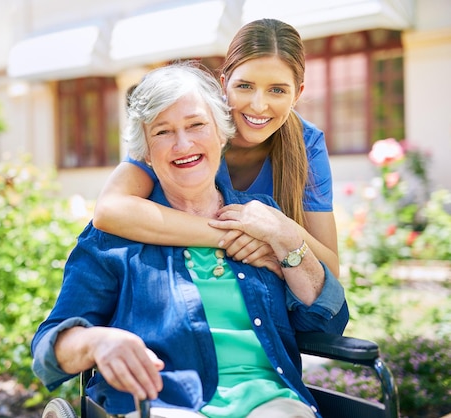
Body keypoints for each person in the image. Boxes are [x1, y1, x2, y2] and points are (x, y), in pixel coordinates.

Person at [31, 63, 349, 418]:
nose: (183, 144)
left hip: (271, 403)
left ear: (222, 133)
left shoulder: (263, 219)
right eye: (163, 132)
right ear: (146, 152)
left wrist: (288, 240)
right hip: (163, 403)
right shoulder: (115, 238)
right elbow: (49, 345)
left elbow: (327, 322)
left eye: (197, 125)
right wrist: (96, 342)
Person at [92, 18, 339, 278]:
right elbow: (110, 210)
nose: (258, 105)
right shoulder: (187, 124)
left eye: (277, 90)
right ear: (224, 83)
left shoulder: (307, 143)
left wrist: (280, 229)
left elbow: (331, 271)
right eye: (245, 86)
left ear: (297, 94)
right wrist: (235, 235)